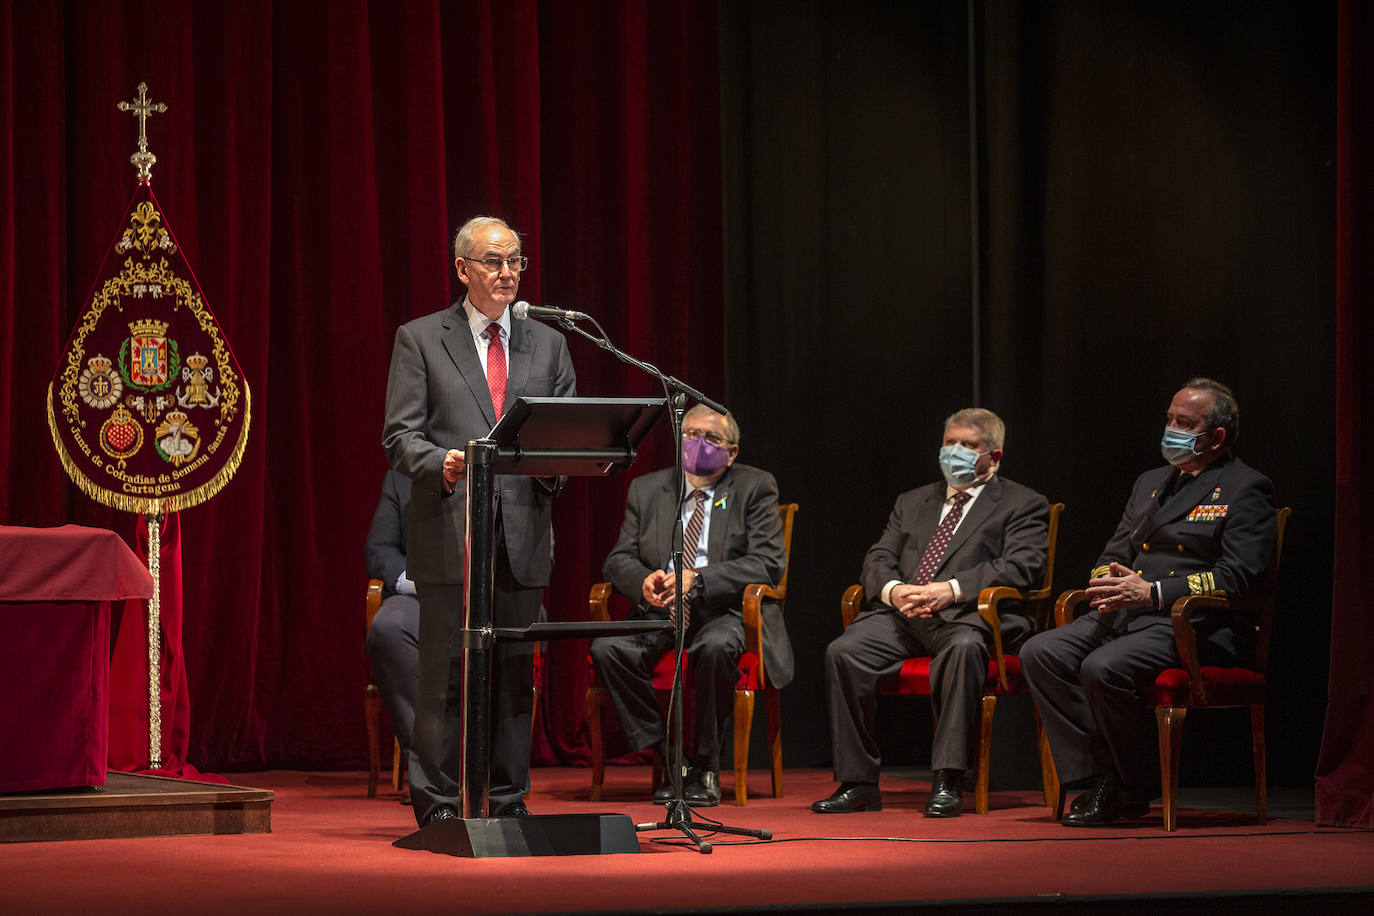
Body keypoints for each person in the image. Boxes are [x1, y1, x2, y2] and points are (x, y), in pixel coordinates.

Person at [383, 216, 576, 826]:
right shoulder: (420, 338)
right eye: (494, 260)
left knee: (514, 676)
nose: (507, 272)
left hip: (523, 534)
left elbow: (566, 439)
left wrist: (551, 466)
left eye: (516, 260)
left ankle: (508, 799)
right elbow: (399, 437)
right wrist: (444, 462)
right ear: (462, 269)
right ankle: (439, 804)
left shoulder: (549, 344)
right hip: (449, 528)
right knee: (444, 674)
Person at [1020, 378, 1277, 827]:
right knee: (1039, 651)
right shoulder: (1150, 482)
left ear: (1216, 436)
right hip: (1128, 613)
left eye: (1185, 422)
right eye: (1169, 419)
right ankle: (1110, 777)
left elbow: (1239, 576)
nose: (1171, 428)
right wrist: (1106, 582)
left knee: (1101, 668)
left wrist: (1153, 592)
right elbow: (1114, 553)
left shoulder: (1245, 487)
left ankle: (1123, 786)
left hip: (1193, 623)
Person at [813, 408, 1049, 817]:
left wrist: (952, 590)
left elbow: (1022, 566)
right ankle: (859, 782)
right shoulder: (912, 501)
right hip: (903, 616)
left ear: (994, 457)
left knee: (962, 650)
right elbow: (879, 555)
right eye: (949, 442)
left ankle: (948, 779)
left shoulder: (1022, 503)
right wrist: (894, 589)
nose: (954, 452)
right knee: (844, 651)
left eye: (968, 445)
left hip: (966, 617)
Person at [591, 404, 790, 807]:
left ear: (731, 452)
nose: (699, 444)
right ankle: (671, 758)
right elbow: (618, 558)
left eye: (712, 438)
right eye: (692, 434)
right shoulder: (647, 490)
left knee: (714, 649)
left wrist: (698, 578)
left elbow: (768, 563)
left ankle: (707, 767)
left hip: (724, 610)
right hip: (660, 609)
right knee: (607, 649)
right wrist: (641, 580)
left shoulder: (755, 486)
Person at [364, 468, 420, 803]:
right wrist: (419, 583)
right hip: (422, 595)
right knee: (388, 628)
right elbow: (379, 549)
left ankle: (489, 767)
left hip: (487, 595)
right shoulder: (402, 477)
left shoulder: (506, 464)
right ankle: (427, 761)